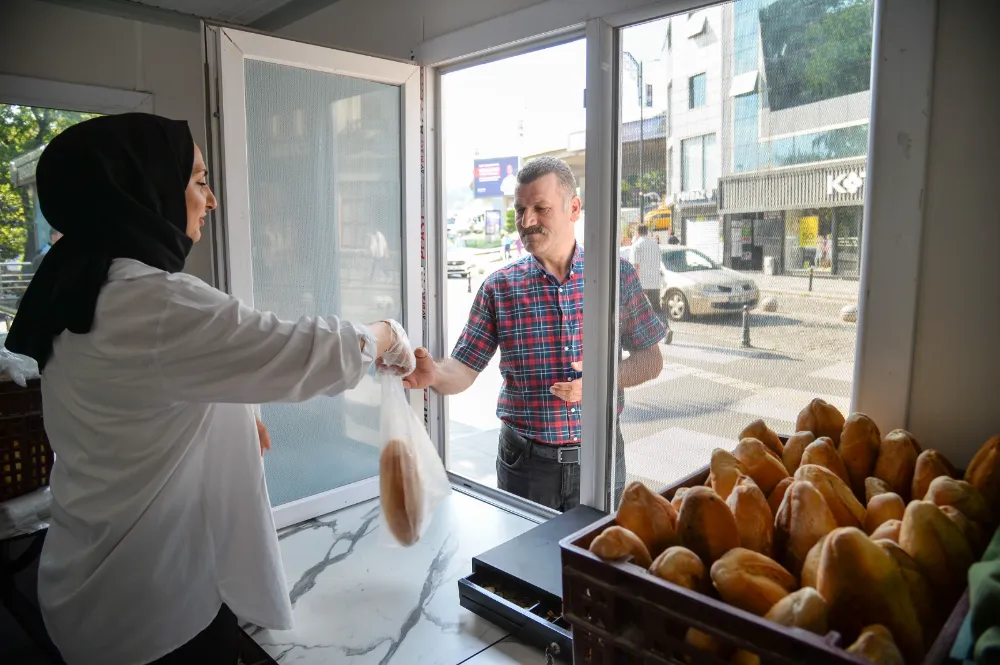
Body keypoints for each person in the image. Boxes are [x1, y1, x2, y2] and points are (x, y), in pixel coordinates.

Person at [4, 113, 417, 665]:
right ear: (143, 188)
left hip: (84, 579)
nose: (212, 199)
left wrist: (230, 414)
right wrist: (389, 334)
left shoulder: (82, 287)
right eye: (199, 180)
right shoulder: (155, 304)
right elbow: (299, 349)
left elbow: (140, 399)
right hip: (151, 614)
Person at [403, 157, 665, 512]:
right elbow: (462, 368)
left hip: (602, 456)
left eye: (540, 208)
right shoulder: (499, 287)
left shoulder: (615, 276)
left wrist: (599, 383)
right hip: (525, 464)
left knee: (596, 561)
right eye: (520, 210)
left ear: (573, 208)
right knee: (523, 566)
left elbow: (650, 360)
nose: (526, 222)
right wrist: (433, 374)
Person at [631, 224, 672, 343]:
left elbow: (636, 266)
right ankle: (666, 328)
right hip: (654, 281)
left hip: (641, 282)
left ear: (637, 233)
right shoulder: (655, 245)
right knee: (657, 308)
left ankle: (641, 335)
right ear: (647, 232)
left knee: (637, 309)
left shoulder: (636, 246)